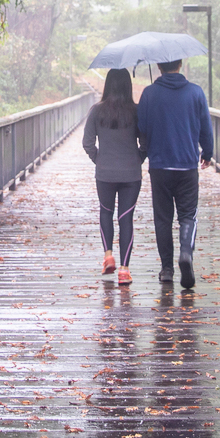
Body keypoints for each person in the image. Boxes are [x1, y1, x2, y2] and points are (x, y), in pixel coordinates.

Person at [135, 58, 213, 290]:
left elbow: (142, 129)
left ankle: (167, 269)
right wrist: (207, 152)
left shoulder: (149, 93)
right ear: (180, 65)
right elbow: (205, 128)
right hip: (187, 166)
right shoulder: (196, 93)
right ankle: (186, 254)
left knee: (163, 218)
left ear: (159, 67)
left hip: (160, 166)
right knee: (188, 215)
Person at [83, 68, 145, 285]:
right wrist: (139, 158)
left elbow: (87, 143)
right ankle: (124, 270)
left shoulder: (96, 111)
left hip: (105, 173)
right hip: (131, 173)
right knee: (125, 218)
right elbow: (146, 142)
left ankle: (108, 255)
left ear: (107, 84)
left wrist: (98, 160)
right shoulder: (137, 112)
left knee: (106, 213)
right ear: (128, 85)